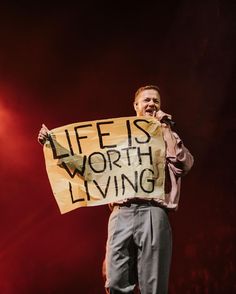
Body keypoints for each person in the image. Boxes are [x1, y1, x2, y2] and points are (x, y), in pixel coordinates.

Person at [38, 85, 194, 294]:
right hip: (121, 213)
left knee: (153, 286)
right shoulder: (120, 141)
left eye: (156, 101)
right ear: (136, 106)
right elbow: (91, 168)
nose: (152, 104)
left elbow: (184, 164)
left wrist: (165, 130)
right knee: (114, 282)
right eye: (146, 100)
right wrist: (55, 147)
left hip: (153, 211)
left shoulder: (165, 136)